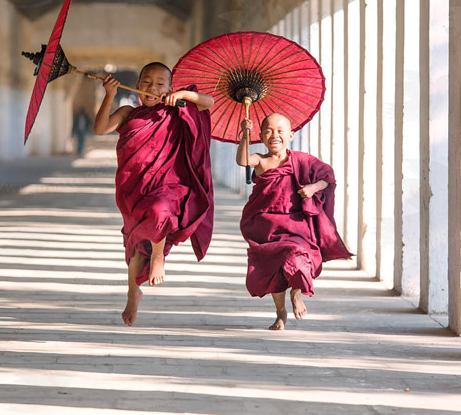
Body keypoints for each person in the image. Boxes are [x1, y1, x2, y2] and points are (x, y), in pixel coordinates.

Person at [94, 62, 215, 326]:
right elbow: (101, 128)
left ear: (170, 88)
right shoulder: (128, 112)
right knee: (136, 247)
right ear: (137, 86)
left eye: (161, 84)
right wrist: (109, 96)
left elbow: (208, 101)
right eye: (147, 82)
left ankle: (159, 256)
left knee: (160, 211)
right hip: (134, 187)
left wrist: (183, 96)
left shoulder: (177, 109)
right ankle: (132, 292)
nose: (153, 88)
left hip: (169, 185)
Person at [237, 113, 351, 330]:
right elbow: (243, 160)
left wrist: (312, 188)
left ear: (290, 135)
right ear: (260, 135)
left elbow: (327, 178)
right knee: (274, 272)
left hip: (295, 226)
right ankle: (280, 312)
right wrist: (245, 134)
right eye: (269, 130)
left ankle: (297, 293)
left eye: (280, 131)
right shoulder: (260, 160)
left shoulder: (302, 161)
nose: (274, 135)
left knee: (296, 256)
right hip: (266, 228)